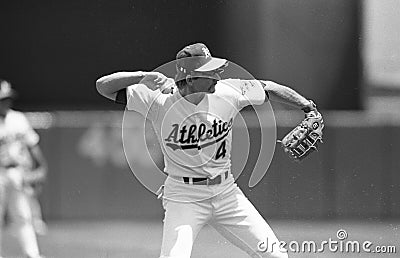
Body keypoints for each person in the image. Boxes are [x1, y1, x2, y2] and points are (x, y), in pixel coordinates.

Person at [96, 43, 320, 258]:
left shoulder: (228, 90)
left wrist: (307, 106)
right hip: (184, 197)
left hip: (227, 192)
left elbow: (268, 87)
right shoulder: (157, 99)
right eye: (209, 73)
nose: (217, 77)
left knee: (275, 254)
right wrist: (140, 75)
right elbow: (103, 87)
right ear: (190, 79)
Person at [0, 79, 47, 258]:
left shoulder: (18, 118)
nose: (6, 102)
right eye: (2, 99)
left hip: (18, 172)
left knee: (23, 215)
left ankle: (32, 254)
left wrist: (42, 165)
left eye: (7, 99)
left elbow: (32, 144)